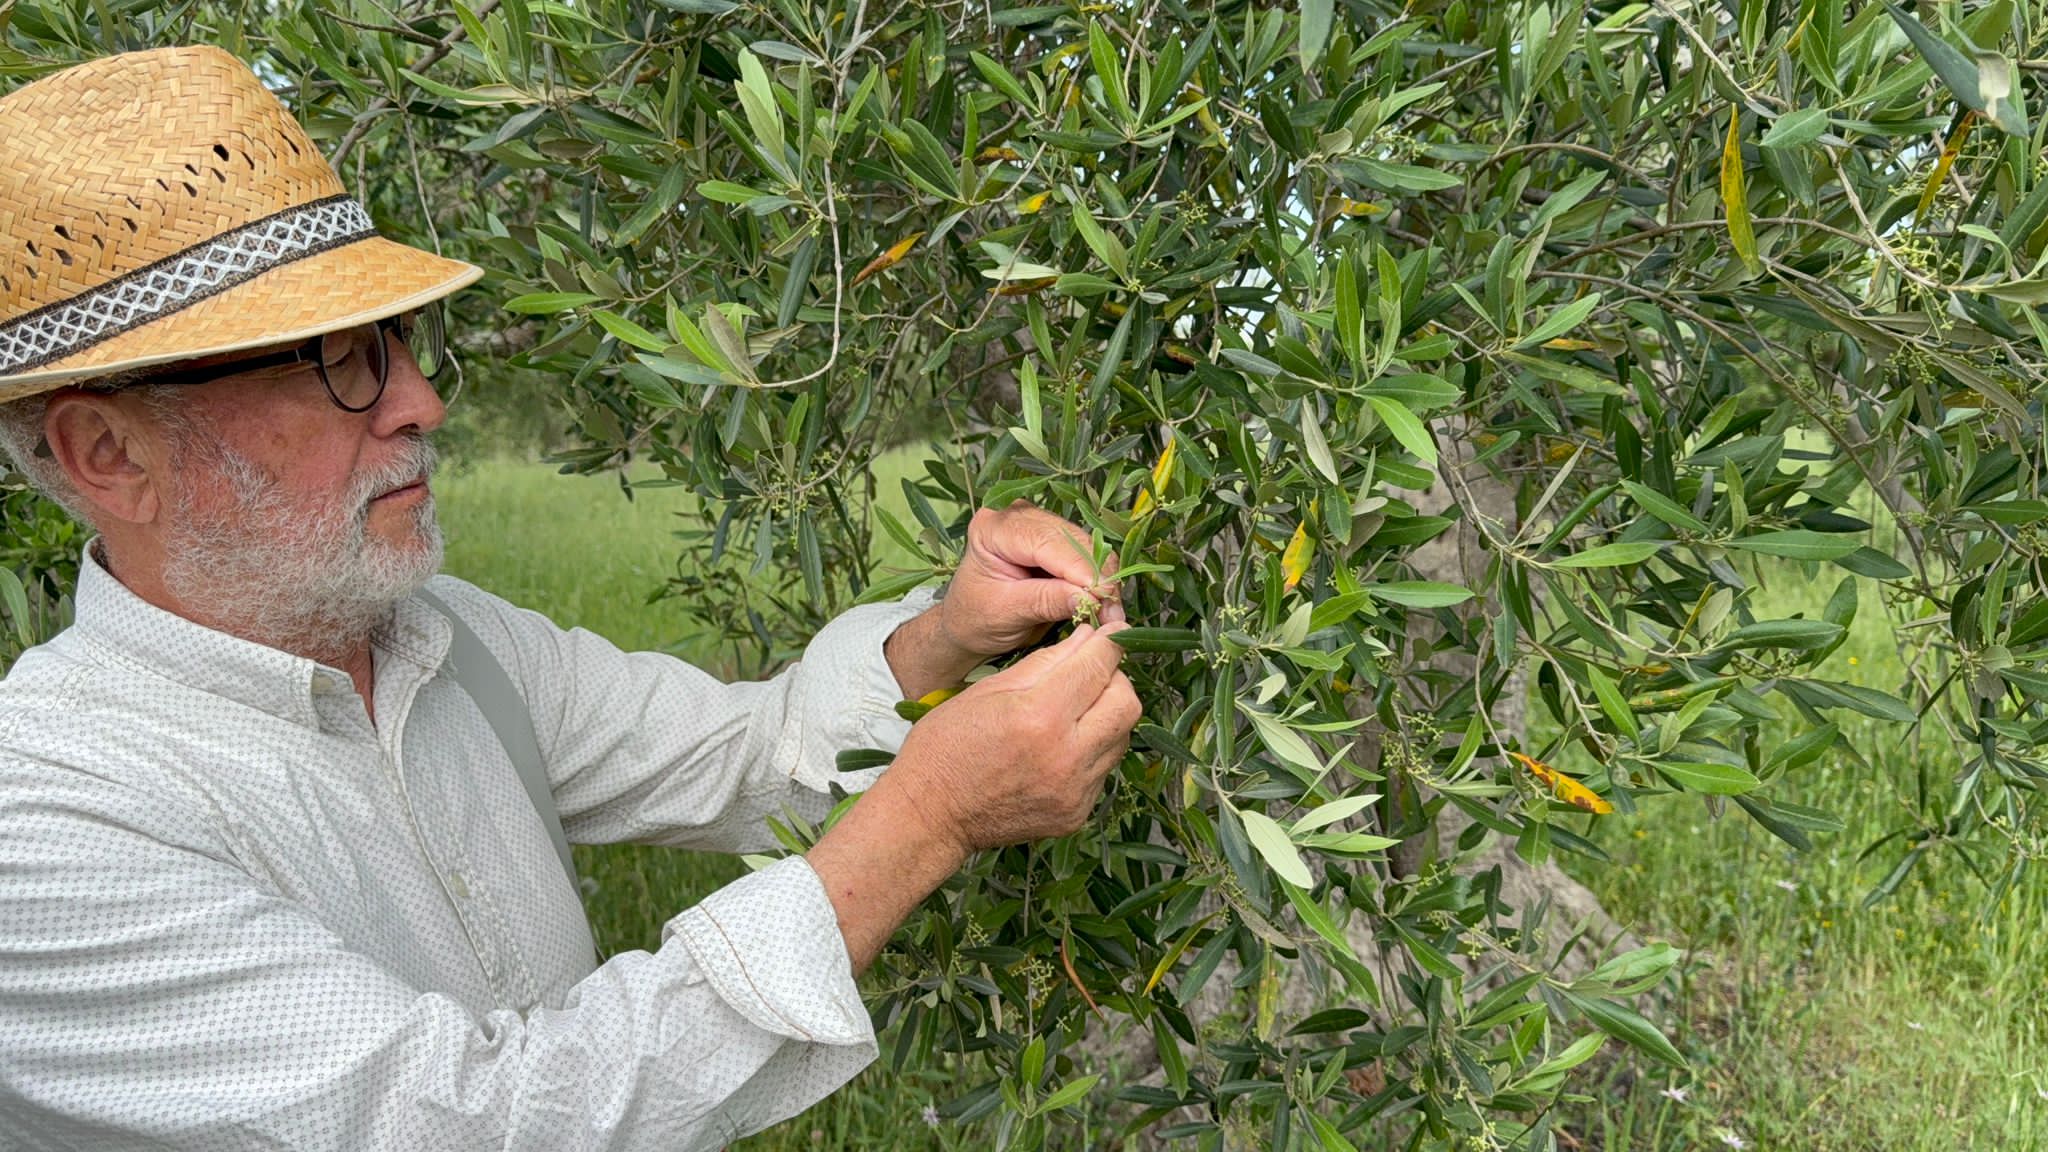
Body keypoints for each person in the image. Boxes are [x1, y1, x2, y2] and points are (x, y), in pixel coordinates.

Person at [0, 45, 1141, 1151]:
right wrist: (924, 819)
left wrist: (942, 639)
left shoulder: (447, 641)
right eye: (340, 358)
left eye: (399, 340)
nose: (422, 403)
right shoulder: (48, 832)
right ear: (107, 451)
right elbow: (484, 1123)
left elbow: (748, 753)